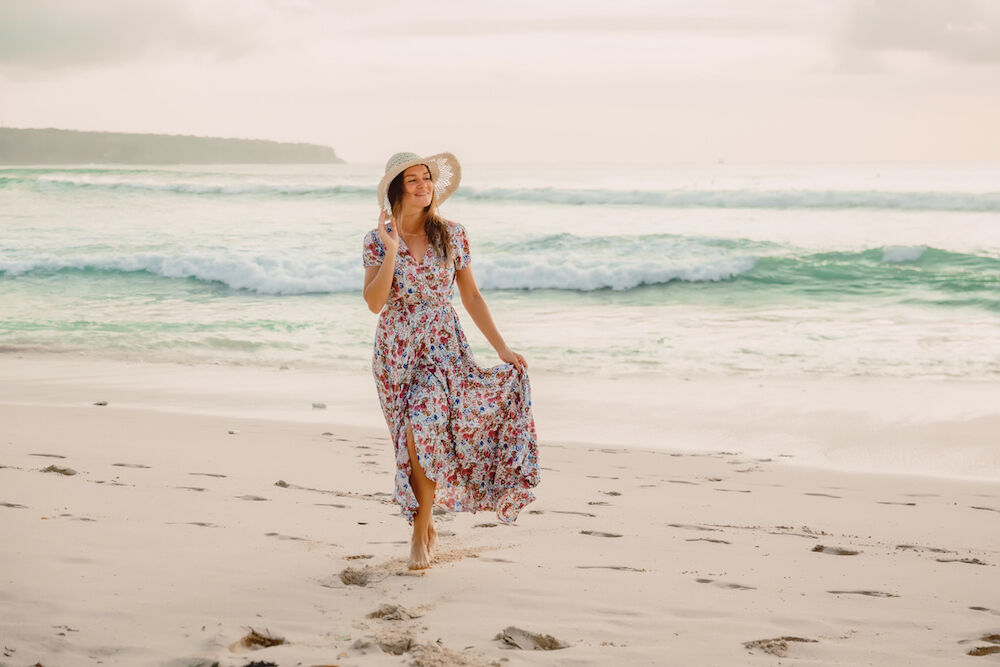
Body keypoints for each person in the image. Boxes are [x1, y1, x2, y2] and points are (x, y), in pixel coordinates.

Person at [362, 151, 539, 570]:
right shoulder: (375, 239)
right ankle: (425, 523)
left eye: (427, 179)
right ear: (396, 189)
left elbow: (471, 297)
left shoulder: (453, 235)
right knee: (411, 441)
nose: (424, 186)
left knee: (425, 427)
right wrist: (391, 250)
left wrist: (501, 348)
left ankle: (421, 528)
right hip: (396, 352)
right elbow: (374, 303)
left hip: (443, 348)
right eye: (413, 180)